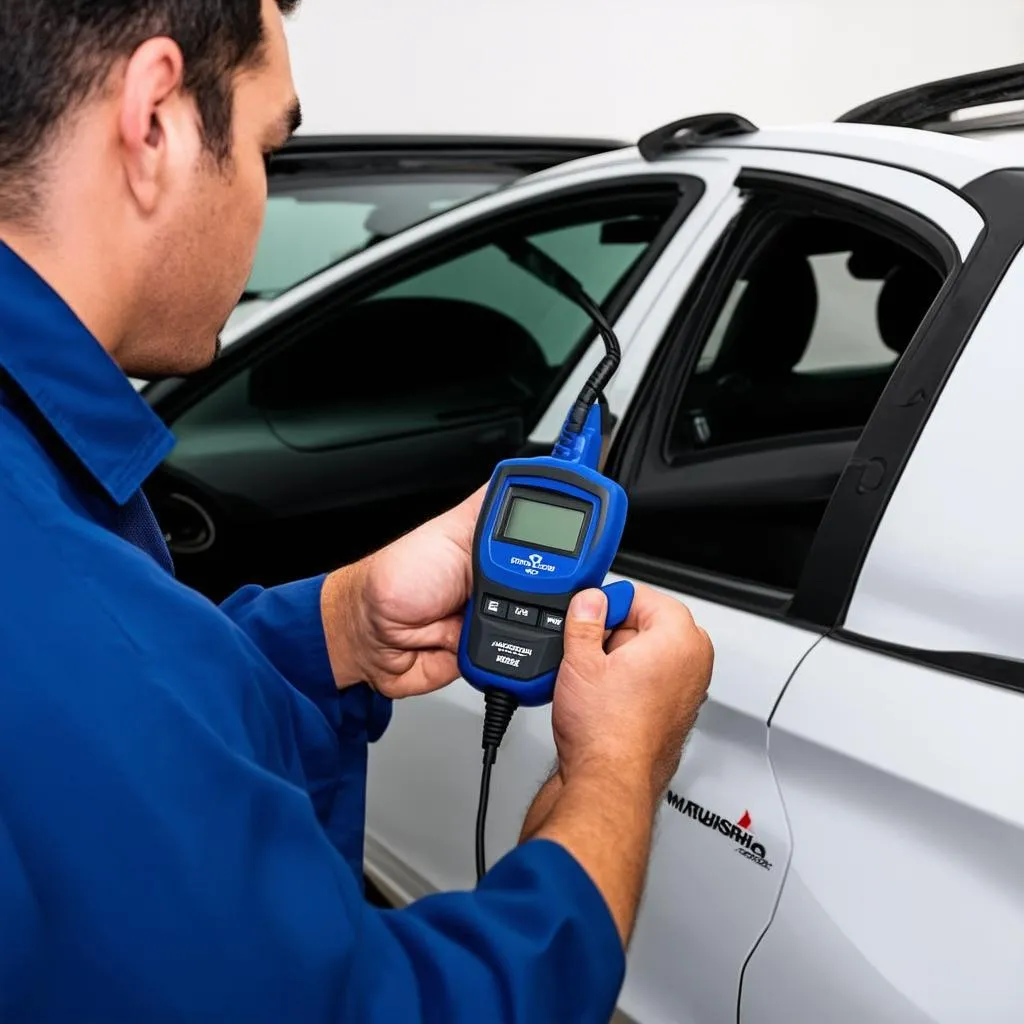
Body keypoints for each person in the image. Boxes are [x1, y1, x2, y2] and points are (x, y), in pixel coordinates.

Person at [0, 1, 714, 1021]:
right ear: (154, 118)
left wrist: (337, 626)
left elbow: (139, 702)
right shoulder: (44, 583)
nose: (261, 193)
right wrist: (615, 772)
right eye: (264, 146)